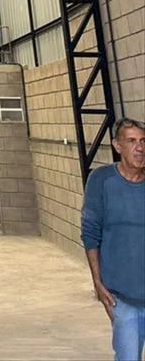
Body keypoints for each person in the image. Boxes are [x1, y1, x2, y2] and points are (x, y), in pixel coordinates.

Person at [81, 118, 145, 361]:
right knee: (128, 357)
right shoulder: (101, 180)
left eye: (143, 141)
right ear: (117, 146)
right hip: (121, 296)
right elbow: (90, 232)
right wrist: (97, 282)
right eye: (132, 141)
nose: (140, 147)